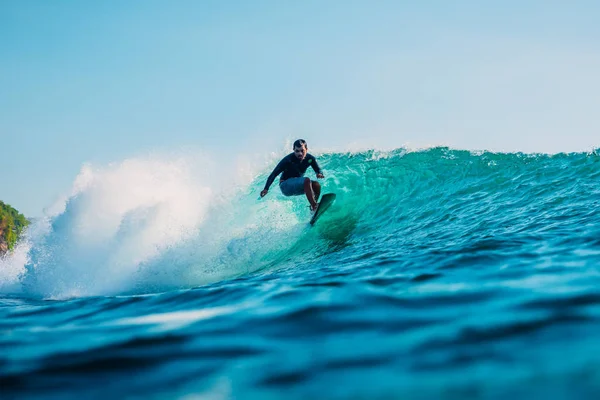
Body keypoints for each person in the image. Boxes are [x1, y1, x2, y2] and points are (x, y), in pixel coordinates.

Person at [260, 139, 325, 211]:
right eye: (297, 151)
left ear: (306, 149)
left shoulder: (310, 159)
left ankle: (313, 207)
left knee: (316, 185)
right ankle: (314, 206)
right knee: (307, 180)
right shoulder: (287, 160)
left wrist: (319, 173)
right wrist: (266, 188)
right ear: (293, 150)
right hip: (285, 185)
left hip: (297, 185)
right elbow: (273, 174)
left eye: (302, 151)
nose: (300, 153)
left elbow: (318, 169)